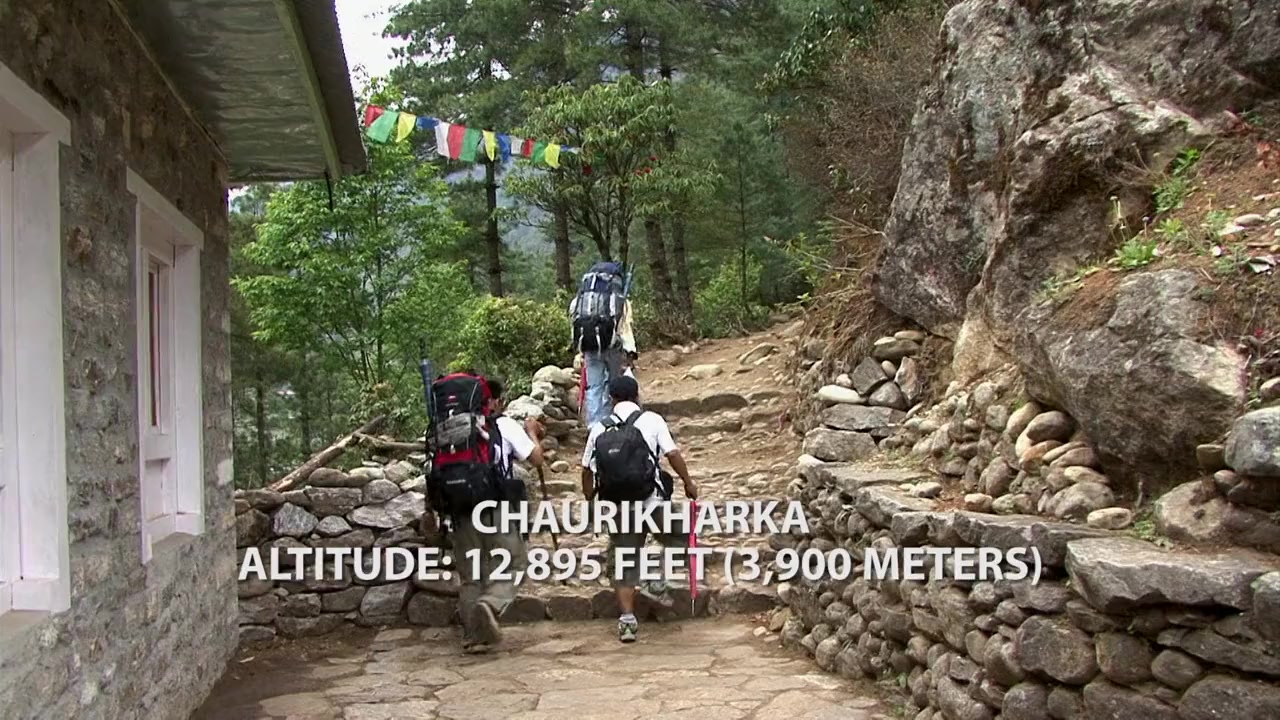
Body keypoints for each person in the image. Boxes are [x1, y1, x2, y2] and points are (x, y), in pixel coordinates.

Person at [580, 375, 698, 643]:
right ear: (637, 396)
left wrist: (590, 497)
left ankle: (627, 622)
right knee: (682, 538)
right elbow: (672, 454)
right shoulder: (652, 420)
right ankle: (658, 578)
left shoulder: (600, 427)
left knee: (624, 560)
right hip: (652, 502)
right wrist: (688, 483)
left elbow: (587, 469)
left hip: (619, 507)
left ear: (611, 399)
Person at [450, 375, 545, 654]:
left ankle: (473, 637)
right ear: (493, 401)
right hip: (495, 505)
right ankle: (490, 603)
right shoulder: (502, 424)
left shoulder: (449, 429)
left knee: (471, 576)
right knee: (514, 563)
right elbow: (536, 458)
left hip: (459, 508)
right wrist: (532, 433)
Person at [571, 262, 637, 426]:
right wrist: (631, 351)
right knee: (612, 384)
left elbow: (575, 323)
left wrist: (580, 350)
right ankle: (612, 421)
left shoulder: (580, 300)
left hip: (589, 347)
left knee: (594, 387)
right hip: (612, 347)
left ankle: (594, 425)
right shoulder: (620, 300)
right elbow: (625, 328)